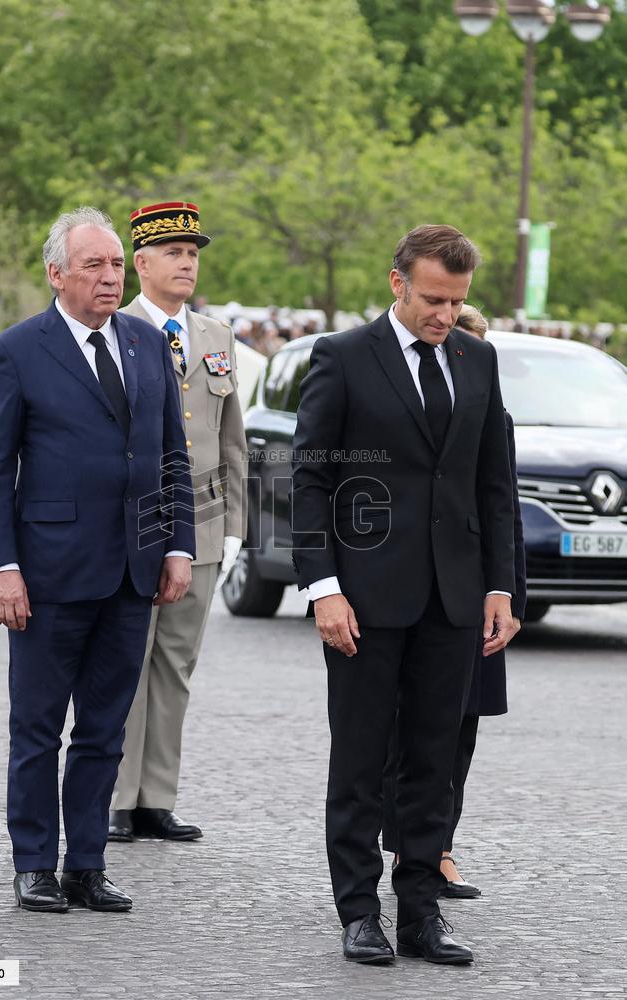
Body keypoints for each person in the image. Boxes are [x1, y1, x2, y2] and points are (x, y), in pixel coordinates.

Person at [291, 225, 519, 966]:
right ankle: (360, 913)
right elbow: (311, 480)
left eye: (456, 301)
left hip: (453, 601)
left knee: (433, 765)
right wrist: (323, 587)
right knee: (359, 763)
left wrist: (499, 586)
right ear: (397, 283)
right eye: (432, 298)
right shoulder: (343, 357)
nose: (445, 314)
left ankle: (421, 912)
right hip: (362, 599)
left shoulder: (478, 361)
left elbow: (494, 485)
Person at [0, 206, 195, 913]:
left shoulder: (145, 342)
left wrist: (179, 545)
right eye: (94, 265)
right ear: (56, 273)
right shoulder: (17, 350)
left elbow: (171, 458)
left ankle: (87, 863)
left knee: (104, 729)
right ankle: (35, 862)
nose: (109, 277)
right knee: (38, 728)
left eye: (115, 265)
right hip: (48, 574)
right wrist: (2, 567)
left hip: (134, 570)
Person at [108, 202, 247, 843]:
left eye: (193, 252)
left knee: (175, 662)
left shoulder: (216, 336)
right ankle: (116, 794)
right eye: (174, 252)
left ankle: (156, 796)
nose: (188, 261)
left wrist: (237, 524)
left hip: (207, 521)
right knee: (125, 660)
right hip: (136, 519)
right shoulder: (112, 326)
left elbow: (231, 437)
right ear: (141, 263)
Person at [382, 303, 527, 897]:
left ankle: (438, 846)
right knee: (398, 732)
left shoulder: (496, 415)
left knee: (458, 731)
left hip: (470, 596)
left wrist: (509, 594)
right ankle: (402, 846)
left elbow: (504, 508)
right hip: (404, 592)